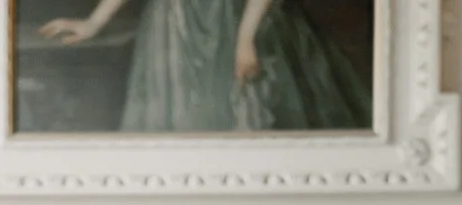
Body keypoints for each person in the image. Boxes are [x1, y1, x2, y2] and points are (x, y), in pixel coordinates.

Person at [40, 0, 372, 135]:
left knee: (244, 117)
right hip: (175, 28)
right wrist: (94, 22)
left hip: (237, 21)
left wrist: (245, 37)